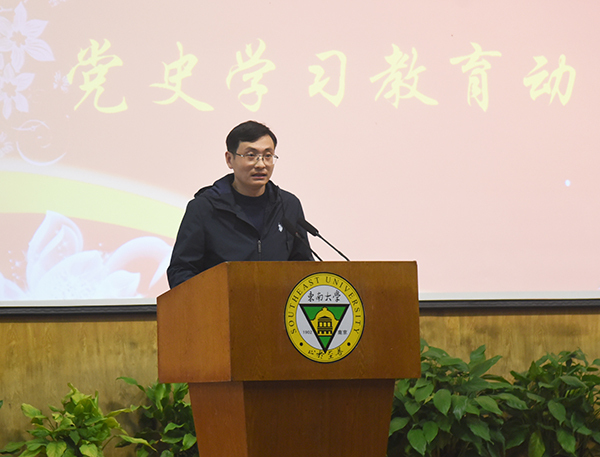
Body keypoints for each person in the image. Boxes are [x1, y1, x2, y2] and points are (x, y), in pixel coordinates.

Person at [167, 120, 314, 288]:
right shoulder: (204, 208)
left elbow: (303, 265)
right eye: (251, 155)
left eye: (268, 156)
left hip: (278, 303)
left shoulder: (288, 205)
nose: (261, 164)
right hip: (221, 303)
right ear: (230, 159)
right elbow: (181, 271)